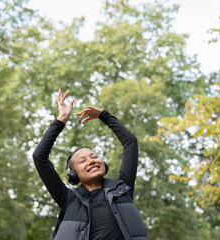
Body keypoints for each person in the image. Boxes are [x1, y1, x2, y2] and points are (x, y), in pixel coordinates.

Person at [32, 89, 147, 240]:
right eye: (82, 161)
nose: (91, 160)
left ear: (103, 164)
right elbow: (39, 157)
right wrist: (61, 119)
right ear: (73, 175)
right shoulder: (68, 199)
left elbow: (130, 142)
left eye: (94, 156)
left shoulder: (122, 188)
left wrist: (104, 116)